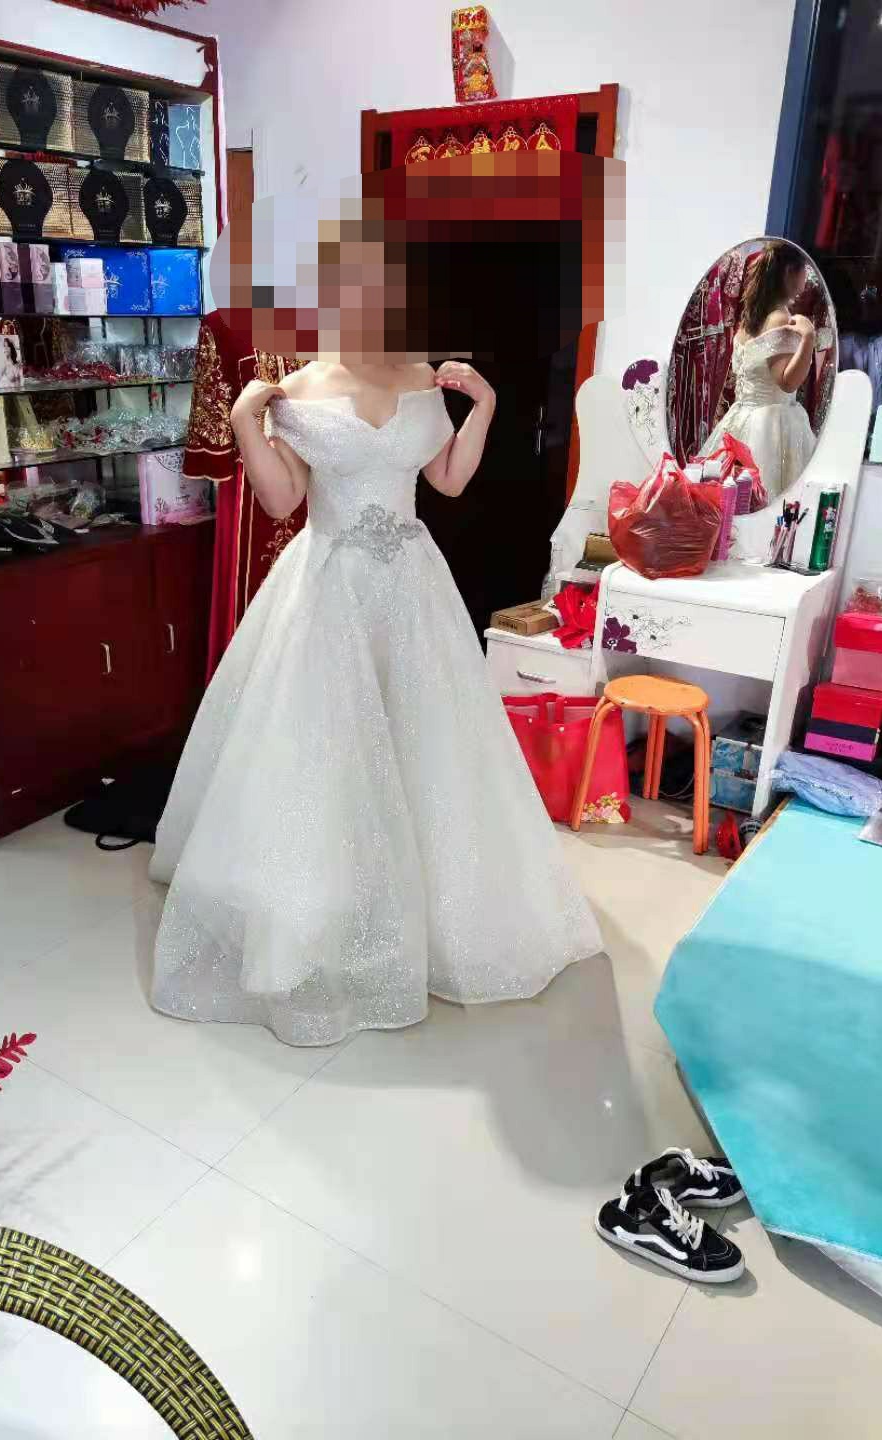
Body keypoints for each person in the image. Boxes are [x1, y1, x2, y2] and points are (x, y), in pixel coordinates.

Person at [149, 220, 602, 1047]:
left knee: (423, 741)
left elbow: (449, 480)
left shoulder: (423, 378)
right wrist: (248, 421)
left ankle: (432, 907)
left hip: (412, 585)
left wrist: (485, 406)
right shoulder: (298, 387)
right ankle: (325, 906)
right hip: (328, 587)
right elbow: (283, 501)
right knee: (325, 749)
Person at [703, 240, 817, 500]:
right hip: (772, 424)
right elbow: (787, 382)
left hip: (743, 416)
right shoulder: (778, 317)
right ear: (789, 271)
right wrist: (808, 338)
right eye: (804, 270)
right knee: (769, 499)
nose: (806, 278)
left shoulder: (750, 319)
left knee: (737, 499)